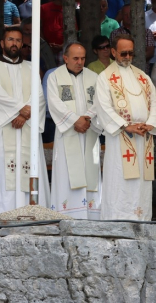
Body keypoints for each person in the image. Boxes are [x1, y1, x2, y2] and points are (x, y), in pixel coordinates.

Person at [0, 27, 50, 218]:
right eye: (10, 39)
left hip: (26, 126)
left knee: (29, 166)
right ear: (2, 43)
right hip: (4, 130)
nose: (15, 43)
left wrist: (24, 115)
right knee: (3, 172)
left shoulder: (31, 67)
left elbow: (40, 97)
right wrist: (21, 110)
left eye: (18, 40)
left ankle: (33, 214)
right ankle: (2, 215)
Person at [94, 34, 156, 220]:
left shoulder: (143, 77)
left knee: (141, 183)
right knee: (120, 180)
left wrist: (149, 124)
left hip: (143, 136)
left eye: (130, 53)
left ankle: (142, 221)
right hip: (120, 137)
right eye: (123, 53)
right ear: (113, 52)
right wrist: (125, 126)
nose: (127, 57)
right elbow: (103, 107)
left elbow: (155, 102)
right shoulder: (105, 78)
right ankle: (117, 222)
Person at [47, 42, 102, 219]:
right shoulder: (55, 77)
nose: (80, 62)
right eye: (76, 58)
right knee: (66, 174)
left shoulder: (94, 77)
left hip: (89, 132)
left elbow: (100, 102)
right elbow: (54, 103)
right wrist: (74, 120)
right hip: (68, 133)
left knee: (90, 170)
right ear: (65, 58)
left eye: (83, 58)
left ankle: (92, 216)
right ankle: (67, 216)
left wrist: (86, 119)